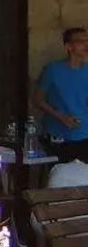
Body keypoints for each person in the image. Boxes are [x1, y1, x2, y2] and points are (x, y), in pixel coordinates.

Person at [35, 27, 88, 163]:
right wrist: (61, 116)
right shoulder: (52, 70)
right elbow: (37, 100)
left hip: (84, 134)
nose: (86, 44)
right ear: (69, 46)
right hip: (58, 135)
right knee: (59, 176)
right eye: (81, 41)